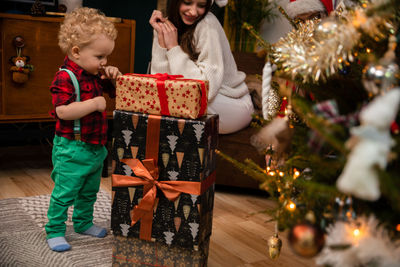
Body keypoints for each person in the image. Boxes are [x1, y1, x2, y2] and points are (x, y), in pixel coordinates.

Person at [46, 7, 121, 252]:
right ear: (76, 52)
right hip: (71, 147)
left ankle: (83, 222)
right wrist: (94, 104)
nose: (104, 62)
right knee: (65, 192)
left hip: (95, 146)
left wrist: (114, 77)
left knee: (89, 191)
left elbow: (119, 94)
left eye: (106, 57)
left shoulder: (96, 75)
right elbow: (63, 111)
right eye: (100, 57)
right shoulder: (64, 77)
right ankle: (55, 230)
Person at [149, 0, 254, 134]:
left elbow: (204, 90)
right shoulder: (167, 26)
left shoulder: (207, 24)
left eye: (201, 6)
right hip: (200, 102)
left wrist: (173, 48)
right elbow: (159, 82)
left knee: (181, 100)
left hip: (233, 104)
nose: (193, 11)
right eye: (187, 2)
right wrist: (162, 42)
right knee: (161, 99)